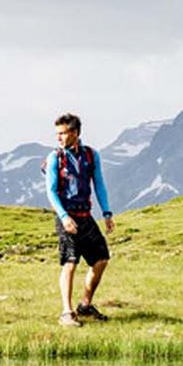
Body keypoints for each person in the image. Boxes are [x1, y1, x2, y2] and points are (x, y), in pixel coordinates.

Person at [42, 113, 114, 327]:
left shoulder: (92, 156)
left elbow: (99, 185)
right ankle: (66, 312)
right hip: (66, 216)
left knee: (101, 259)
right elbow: (51, 191)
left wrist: (107, 213)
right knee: (70, 263)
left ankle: (85, 305)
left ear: (75, 133)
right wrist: (64, 217)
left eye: (63, 133)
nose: (59, 138)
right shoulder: (55, 158)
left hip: (85, 215)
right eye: (57, 134)